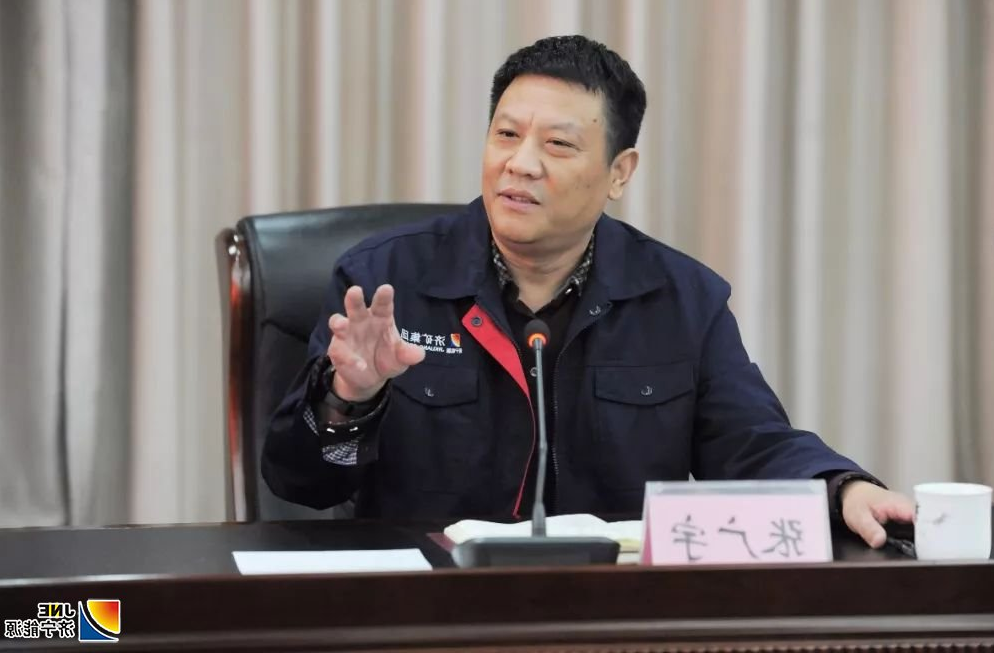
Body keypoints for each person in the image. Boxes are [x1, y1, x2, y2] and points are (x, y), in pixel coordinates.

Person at [263, 35, 913, 548]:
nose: (520, 163)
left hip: (612, 611)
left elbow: (752, 444)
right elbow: (301, 484)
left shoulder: (681, 300)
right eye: (506, 135)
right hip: (428, 610)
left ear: (618, 173)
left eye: (558, 144)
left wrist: (841, 489)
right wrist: (348, 398)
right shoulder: (385, 282)